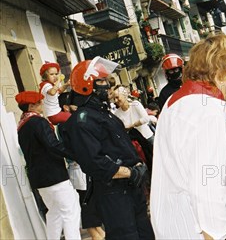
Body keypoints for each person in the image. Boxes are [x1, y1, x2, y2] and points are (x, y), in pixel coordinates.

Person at [151, 34, 226, 240]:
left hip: (180, 225)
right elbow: (206, 186)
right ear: (220, 73)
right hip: (221, 229)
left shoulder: (175, 101)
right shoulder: (208, 111)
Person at [63, 57, 154, 240]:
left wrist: (138, 166)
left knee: (146, 234)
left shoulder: (103, 114)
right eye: (102, 81)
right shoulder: (81, 121)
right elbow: (94, 162)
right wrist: (129, 172)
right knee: (126, 236)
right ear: (87, 85)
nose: (107, 85)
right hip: (114, 193)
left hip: (131, 189)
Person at [16, 91, 81, 240]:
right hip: (54, 175)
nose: (42, 105)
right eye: (39, 102)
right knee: (70, 211)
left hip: (39, 179)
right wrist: (76, 155)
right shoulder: (38, 122)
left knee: (54, 213)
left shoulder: (22, 126)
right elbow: (53, 145)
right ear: (32, 105)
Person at [58, 93, 104, 240]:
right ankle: (95, 233)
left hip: (83, 166)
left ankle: (99, 233)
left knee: (90, 201)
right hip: (78, 167)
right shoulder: (65, 124)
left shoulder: (73, 121)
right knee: (86, 202)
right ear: (66, 107)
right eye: (73, 103)